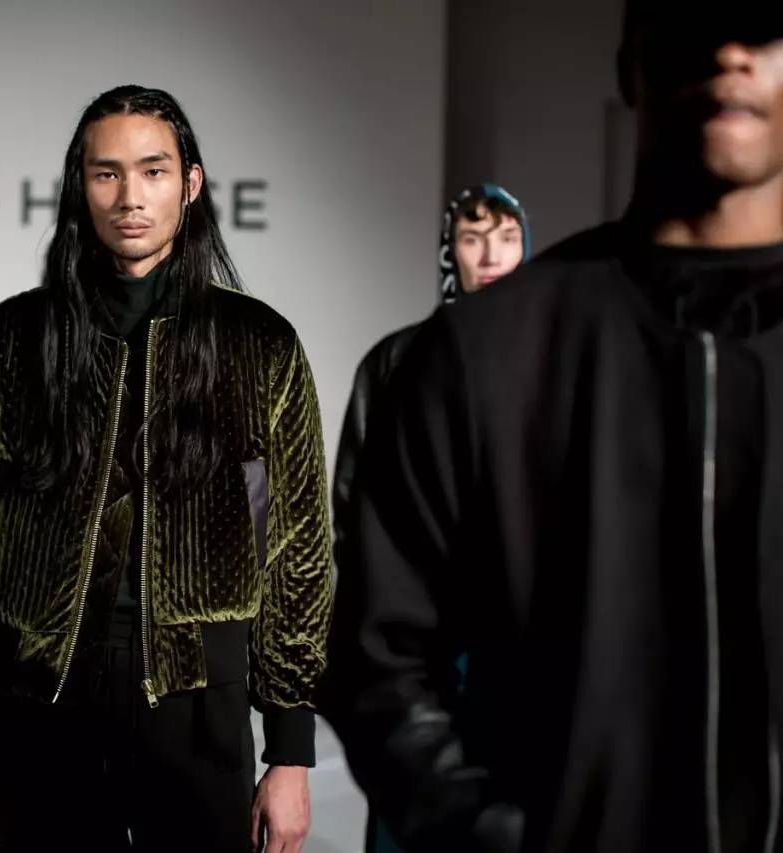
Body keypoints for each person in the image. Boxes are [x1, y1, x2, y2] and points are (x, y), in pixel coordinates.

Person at [322, 3, 783, 851]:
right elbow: (379, 653)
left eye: (763, 23)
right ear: (630, 60)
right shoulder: (476, 354)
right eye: (694, 14)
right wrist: (493, 835)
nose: (729, 51)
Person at [0, 85, 333, 853]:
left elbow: (296, 549)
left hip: (198, 702)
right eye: (106, 173)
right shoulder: (10, 343)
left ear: (191, 183)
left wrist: (290, 746)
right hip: (44, 704)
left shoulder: (259, 345)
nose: (130, 196)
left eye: (153, 170)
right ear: (80, 185)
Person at [331, 183, 530, 853]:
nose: (491, 255)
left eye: (506, 238)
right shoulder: (397, 361)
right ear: (450, 251)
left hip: (515, 646)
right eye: (473, 239)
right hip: (415, 642)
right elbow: (352, 508)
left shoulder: (548, 359)